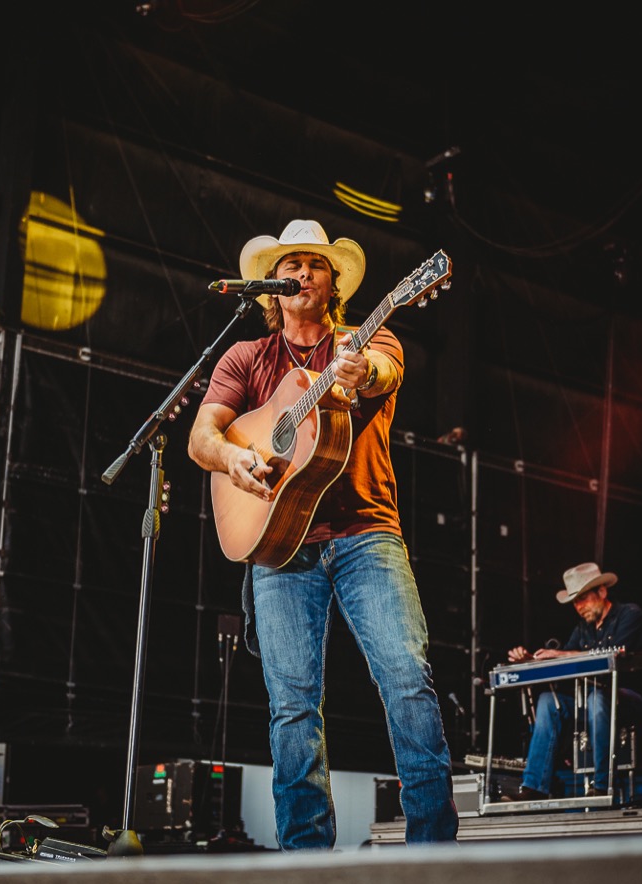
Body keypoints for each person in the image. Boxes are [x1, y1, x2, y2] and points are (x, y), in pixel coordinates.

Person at [187, 219, 459, 849]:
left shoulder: (372, 338)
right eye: (291, 265)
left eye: (315, 264)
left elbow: (384, 372)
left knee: (406, 677)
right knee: (292, 705)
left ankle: (433, 853)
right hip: (279, 544)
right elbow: (203, 438)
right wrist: (234, 458)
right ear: (271, 284)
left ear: (334, 283)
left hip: (366, 532)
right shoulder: (246, 357)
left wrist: (362, 373)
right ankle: (305, 864)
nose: (303, 273)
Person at [501, 562, 642, 801]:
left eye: (583, 599)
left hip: (630, 699)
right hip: (592, 702)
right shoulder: (583, 629)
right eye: (575, 602)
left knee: (596, 698)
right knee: (548, 702)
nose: (579, 607)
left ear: (602, 592)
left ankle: (603, 785)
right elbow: (564, 660)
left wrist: (559, 655)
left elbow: (613, 654)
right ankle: (535, 786)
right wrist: (530, 659)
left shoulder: (629, 614)